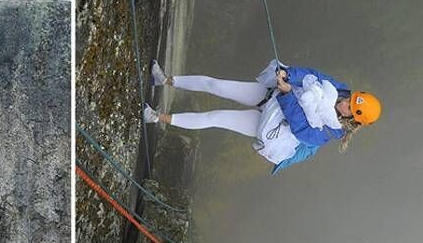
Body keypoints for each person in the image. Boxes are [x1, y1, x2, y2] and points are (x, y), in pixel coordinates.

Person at [143, 59, 381, 173]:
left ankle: (156, 117)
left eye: (350, 108)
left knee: (215, 117)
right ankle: (164, 80)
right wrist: (289, 75)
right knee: (217, 85)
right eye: (351, 99)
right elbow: (313, 75)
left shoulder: (329, 132)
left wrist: (288, 94)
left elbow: (300, 127)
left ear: (354, 120)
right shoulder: (340, 91)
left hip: (272, 122)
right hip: (271, 96)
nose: (345, 102)